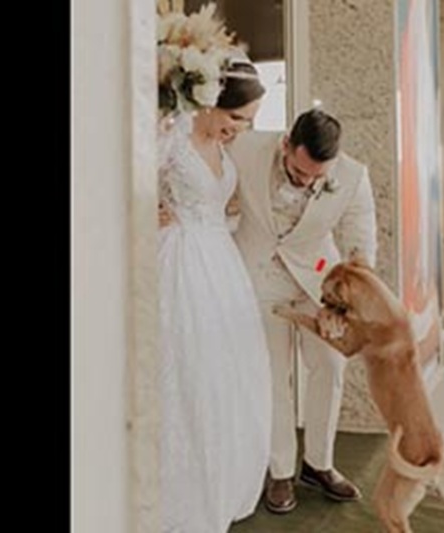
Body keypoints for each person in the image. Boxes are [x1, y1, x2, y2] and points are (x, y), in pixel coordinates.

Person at [226, 108, 378, 514]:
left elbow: (361, 249)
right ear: (285, 145)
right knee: (275, 375)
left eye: (316, 177)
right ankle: (279, 472)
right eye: (299, 171)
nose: (307, 181)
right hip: (258, 278)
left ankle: (319, 463)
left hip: (317, 282)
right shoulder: (244, 148)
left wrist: (343, 307)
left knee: (331, 364)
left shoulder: (353, 176)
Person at [157, 61, 272, 532]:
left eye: (246, 121)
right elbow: (120, 181)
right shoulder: (170, 133)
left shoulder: (225, 149)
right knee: (184, 370)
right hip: (177, 261)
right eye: (239, 117)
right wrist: (147, 209)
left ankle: (219, 480)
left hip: (219, 264)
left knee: (224, 373)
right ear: (213, 102)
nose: (241, 129)